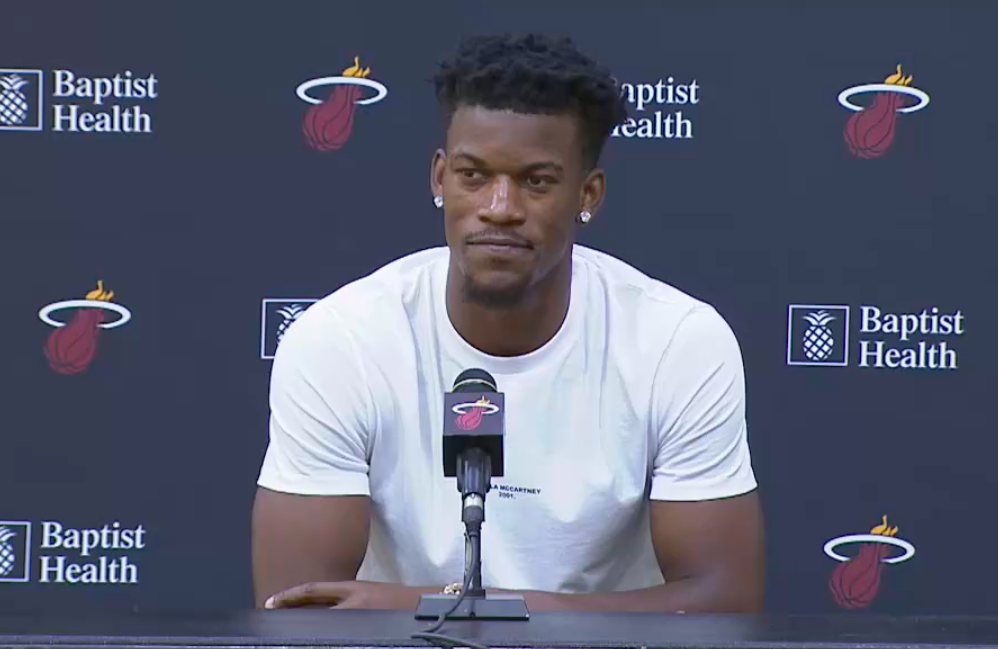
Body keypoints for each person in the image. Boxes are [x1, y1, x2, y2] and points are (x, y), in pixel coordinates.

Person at [252, 32, 764, 613]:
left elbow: (723, 602)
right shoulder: (340, 339)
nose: (499, 208)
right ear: (439, 179)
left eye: (536, 181)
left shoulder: (678, 342)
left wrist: (455, 606)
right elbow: (298, 611)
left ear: (588, 194)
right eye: (473, 176)